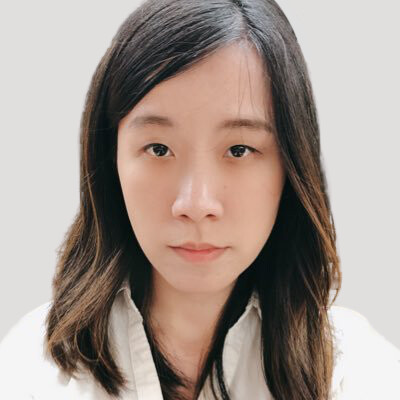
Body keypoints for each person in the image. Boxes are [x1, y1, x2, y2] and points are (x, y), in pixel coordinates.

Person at [0, 0, 399, 399]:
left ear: (292, 164)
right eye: (158, 149)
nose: (195, 203)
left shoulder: (357, 372)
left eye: (239, 150)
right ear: (110, 159)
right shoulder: (29, 372)